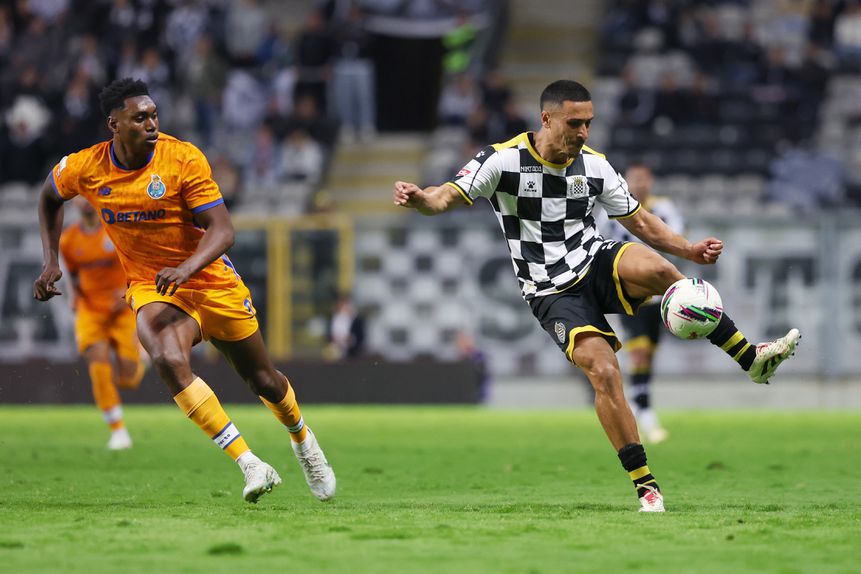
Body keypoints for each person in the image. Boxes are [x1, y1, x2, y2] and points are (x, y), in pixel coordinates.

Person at [393, 80, 800, 513]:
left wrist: (688, 249)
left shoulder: (595, 166)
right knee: (604, 373)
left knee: (662, 270)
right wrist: (421, 200)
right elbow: (446, 196)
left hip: (594, 261)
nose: (583, 132)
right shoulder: (503, 160)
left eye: (588, 122)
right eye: (574, 123)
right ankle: (646, 485)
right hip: (550, 290)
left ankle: (750, 359)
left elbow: (640, 221)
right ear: (546, 119)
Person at [34, 78, 335, 504]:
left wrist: (187, 267)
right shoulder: (85, 167)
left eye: (154, 115)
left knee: (263, 380)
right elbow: (49, 197)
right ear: (114, 124)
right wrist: (51, 260)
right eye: (140, 118)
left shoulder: (182, 158)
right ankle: (249, 462)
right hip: (153, 286)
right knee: (167, 358)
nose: (152, 124)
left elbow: (223, 230)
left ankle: (303, 440)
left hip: (210, 280)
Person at [598, 161, 684, 444]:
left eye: (643, 178)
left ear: (651, 181)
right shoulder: (611, 210)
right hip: (629, 291)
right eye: (634, 178)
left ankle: (638, 401)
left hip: (659, 293)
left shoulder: (664, 209)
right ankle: (645, 410)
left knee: (649, 352)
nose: (639, 183)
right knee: (640, 350)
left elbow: (674, 239)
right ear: (625, 181)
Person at [59, 196, 147, 450]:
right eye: (79, 197)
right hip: (90, 310)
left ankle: (142, 359)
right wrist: (74, 297)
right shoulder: (68, 240)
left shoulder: (117, 230)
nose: (85, 202)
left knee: (128, 378)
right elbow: (73, 275)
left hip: (122, 309)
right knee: (98, 362)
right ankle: (118, 431)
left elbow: (137, 262)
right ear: (74, 203)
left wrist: (129, 291)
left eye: (88, 196)